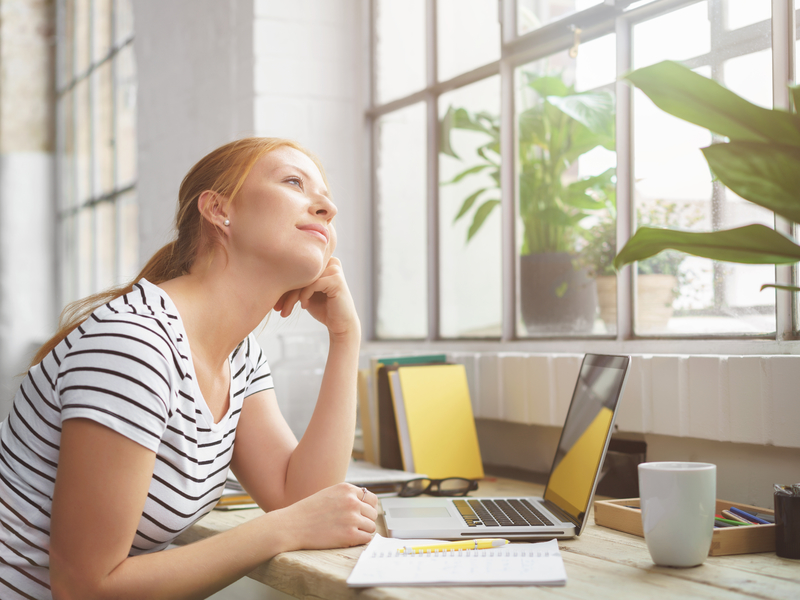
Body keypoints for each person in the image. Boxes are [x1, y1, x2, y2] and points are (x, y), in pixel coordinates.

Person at [0, 137, 378, 599]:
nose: (327, 206)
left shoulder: (238, 356)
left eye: (325, 194)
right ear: (219, 210)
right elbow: (83, 588)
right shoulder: (135, 344)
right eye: (294, 182)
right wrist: (278, 530)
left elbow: (302, 499)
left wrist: (345, 338)